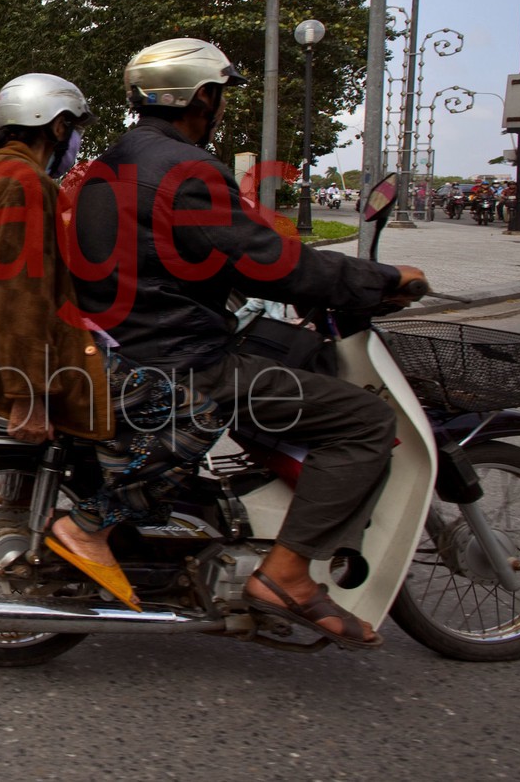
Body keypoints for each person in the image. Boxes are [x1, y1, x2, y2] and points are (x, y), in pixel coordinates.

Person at [71, 38, 427, 648]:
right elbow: (263, 257)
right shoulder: (185, 170)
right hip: (182, 360)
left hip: (127, 346)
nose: (219, 107)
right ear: (201, 96)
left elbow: (182, 256)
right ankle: (285, 575)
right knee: (365, 420)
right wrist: (381, 279)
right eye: (218, 94)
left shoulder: (109, 166)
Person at [0, 74, 143, 601]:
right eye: (73, 129)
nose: (75, 142)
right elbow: (19, 297)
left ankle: (26, 490)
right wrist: (28, 394)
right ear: (56, 127)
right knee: (160, 409)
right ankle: (90, 525)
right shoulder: (26, 184)